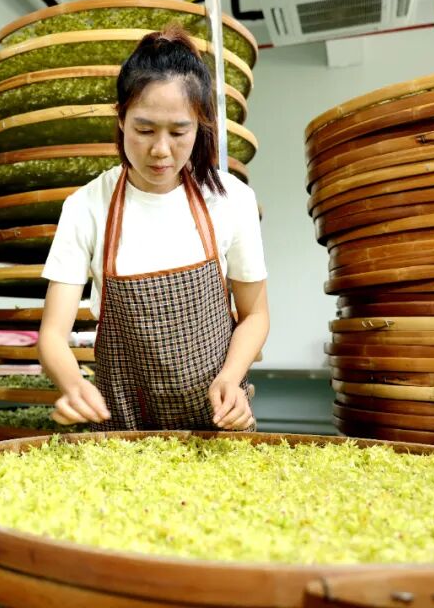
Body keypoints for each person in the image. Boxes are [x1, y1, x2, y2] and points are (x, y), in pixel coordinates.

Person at [38, 25, 269, 431]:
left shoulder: (231, 199)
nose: (161, 150)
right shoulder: (86, 206)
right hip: (121, 432)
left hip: (218, 427)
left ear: (200, 126)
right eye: (144, 130)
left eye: (179, 132)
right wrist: (73, 385)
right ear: (121, 119)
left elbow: (256, 315)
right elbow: (53, 336)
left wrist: (231, 379)